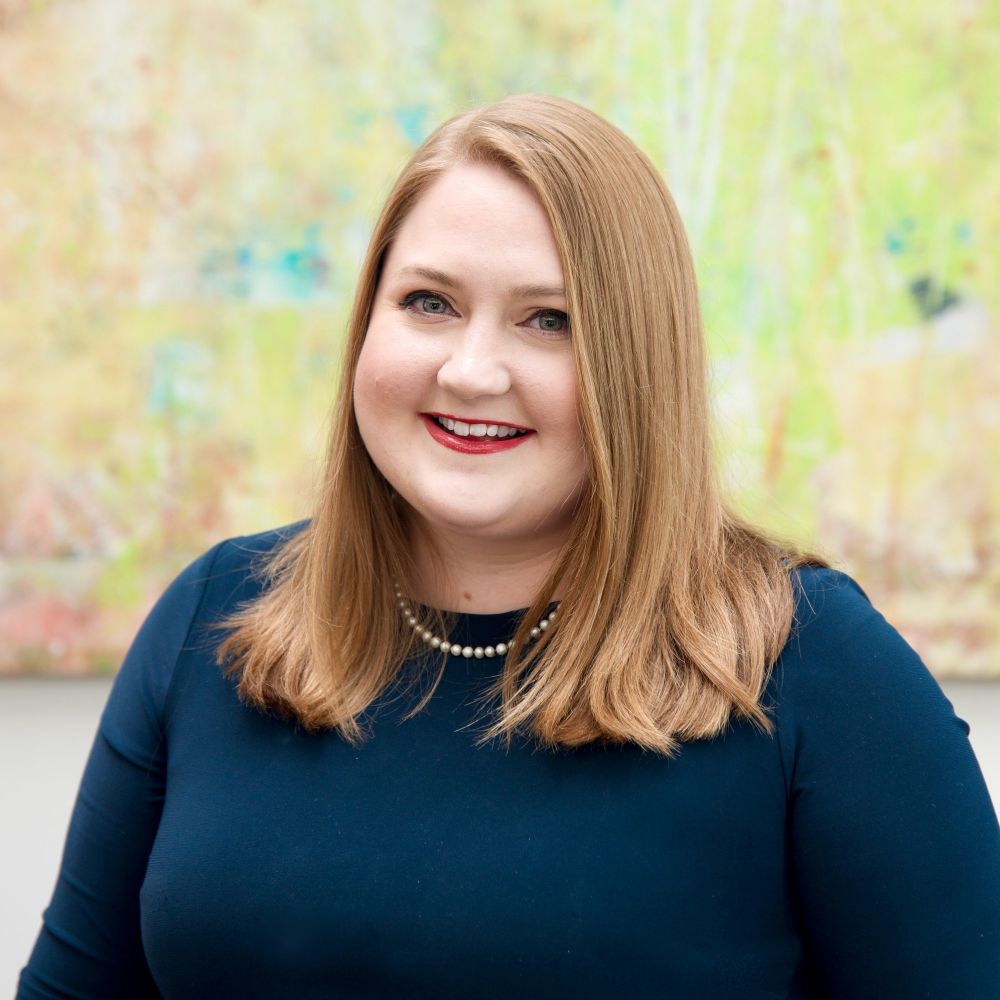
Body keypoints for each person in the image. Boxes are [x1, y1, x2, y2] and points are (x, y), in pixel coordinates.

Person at [18, 94, 1000, 999]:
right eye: (428, 302)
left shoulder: (809, 661)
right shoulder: (216, 613)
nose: (471, 368)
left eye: (550, 320)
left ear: (635, 365)